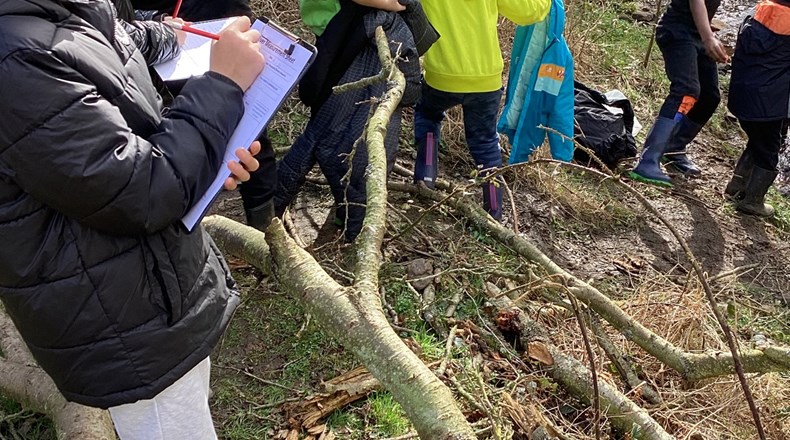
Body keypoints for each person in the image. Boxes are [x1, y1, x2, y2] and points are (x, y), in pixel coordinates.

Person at [0, 2, 265, 439]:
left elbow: (121, 53)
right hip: (118, 317)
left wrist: (212, 154)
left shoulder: (68, 13)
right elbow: (140, 191)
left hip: (149, 289)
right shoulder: (16, 58)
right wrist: (221, 86)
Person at [270, 0, 423, 241]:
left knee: (319, 137)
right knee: (354, 157)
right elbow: (412, 89)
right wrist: (397, 5)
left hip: (340, 36)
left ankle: (269, 211)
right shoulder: (382, 20)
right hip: (352, 41)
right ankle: (357, 238)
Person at [413, 0, 551, 221]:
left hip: (441, 75)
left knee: (428, 116)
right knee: (485, 143)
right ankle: (493, 213)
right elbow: (529, 12)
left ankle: (424, 180)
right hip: (486, 79)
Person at [629, 0, 729, 187]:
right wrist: (708, 37)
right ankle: (647, 161)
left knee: (710, 97)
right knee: (686, 90)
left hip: (698, 34)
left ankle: (673, 148)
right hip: (677, 31)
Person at [723, 0, 790, 217]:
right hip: (768, 103)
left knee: (758, 141)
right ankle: (753, 201)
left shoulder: (759, 11)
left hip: (741, 97)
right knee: (769, 150)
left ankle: (736, 186)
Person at [498, 0, 575, 166]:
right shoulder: (531, 31)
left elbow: (563, 108)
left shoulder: (558, 57)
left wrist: (563, 155)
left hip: (530, 126)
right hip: (522, 124)